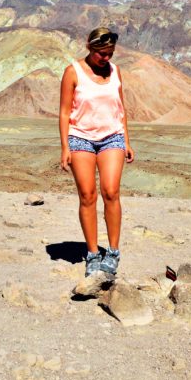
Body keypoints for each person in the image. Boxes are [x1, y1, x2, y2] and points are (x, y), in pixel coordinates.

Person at [59, 27, 135, 277]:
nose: (106, 58)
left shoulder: (115, 72)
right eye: (102, 53)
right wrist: (65, 147)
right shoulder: (73, 72)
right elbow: (63, 112)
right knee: (87, 195)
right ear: (90, 48)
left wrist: (127, 140)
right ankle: (92, 254)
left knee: (111, 191)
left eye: (110, 53)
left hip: (112, 136)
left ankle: (112, 252)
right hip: (80, 138)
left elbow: (121, 108)